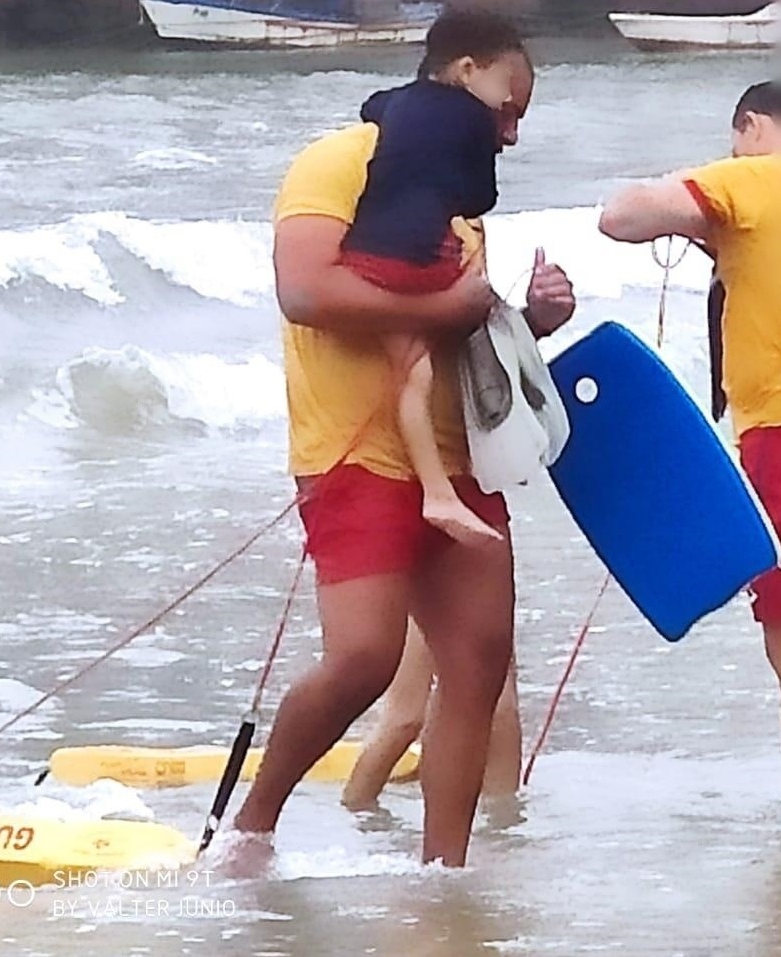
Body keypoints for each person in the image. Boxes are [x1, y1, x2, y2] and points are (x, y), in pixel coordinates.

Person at [219, 15, 575, 870]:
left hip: (459, 454)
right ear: (462, 71)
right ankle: (253, 830)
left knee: (480, 662)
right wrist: (447, 309)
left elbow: (449, 329)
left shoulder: (455, 192)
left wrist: (530, 320)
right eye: (507, 105)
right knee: (366, 658)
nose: (512, 131)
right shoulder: (342, 158)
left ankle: (443, 870)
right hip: (353, 451)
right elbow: (306, 289)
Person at [598, 80, 781, 830]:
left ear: (753, 126)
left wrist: (698, 194)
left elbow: (619, 216)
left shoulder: (751, 178)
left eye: (738, 141)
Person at [340, 11, 523, 547]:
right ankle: (439, 493)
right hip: (416, 255)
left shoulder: (397, 101)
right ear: (469, 70)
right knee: (450, 332)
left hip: (366, 250)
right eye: (502, 90)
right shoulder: (470, 118)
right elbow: (479, 197)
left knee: (411, 372)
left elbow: (369, 108)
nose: (502, 114)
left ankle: (436, 489)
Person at [340, 621, 522, 812]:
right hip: (423, 594)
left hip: (483, 593)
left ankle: (503, 825)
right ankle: (354, 810)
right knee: (405, 720)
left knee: (500, 711)